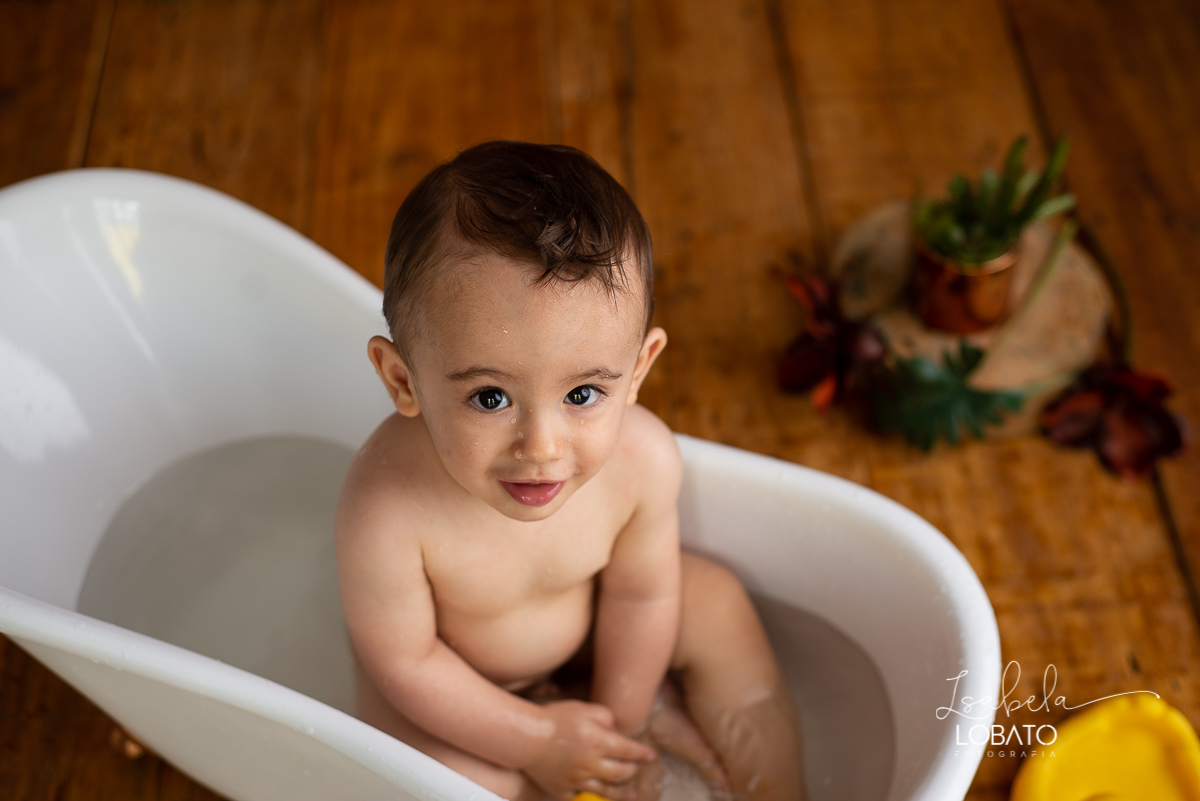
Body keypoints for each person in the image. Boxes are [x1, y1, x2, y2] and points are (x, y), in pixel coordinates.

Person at [335, 141, 805, 801]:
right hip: (459, 691)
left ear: (637, 370)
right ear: (401, 379)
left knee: (716, 603)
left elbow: (640, 595)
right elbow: (406, 664)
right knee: (442, 778)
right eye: (490, 398)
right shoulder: (386, 506)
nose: (542, 446)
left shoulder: (640, 460)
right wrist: (535, 740)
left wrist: (619, 725)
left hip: (593, 642)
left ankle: (776, 791)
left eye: (582, 394)